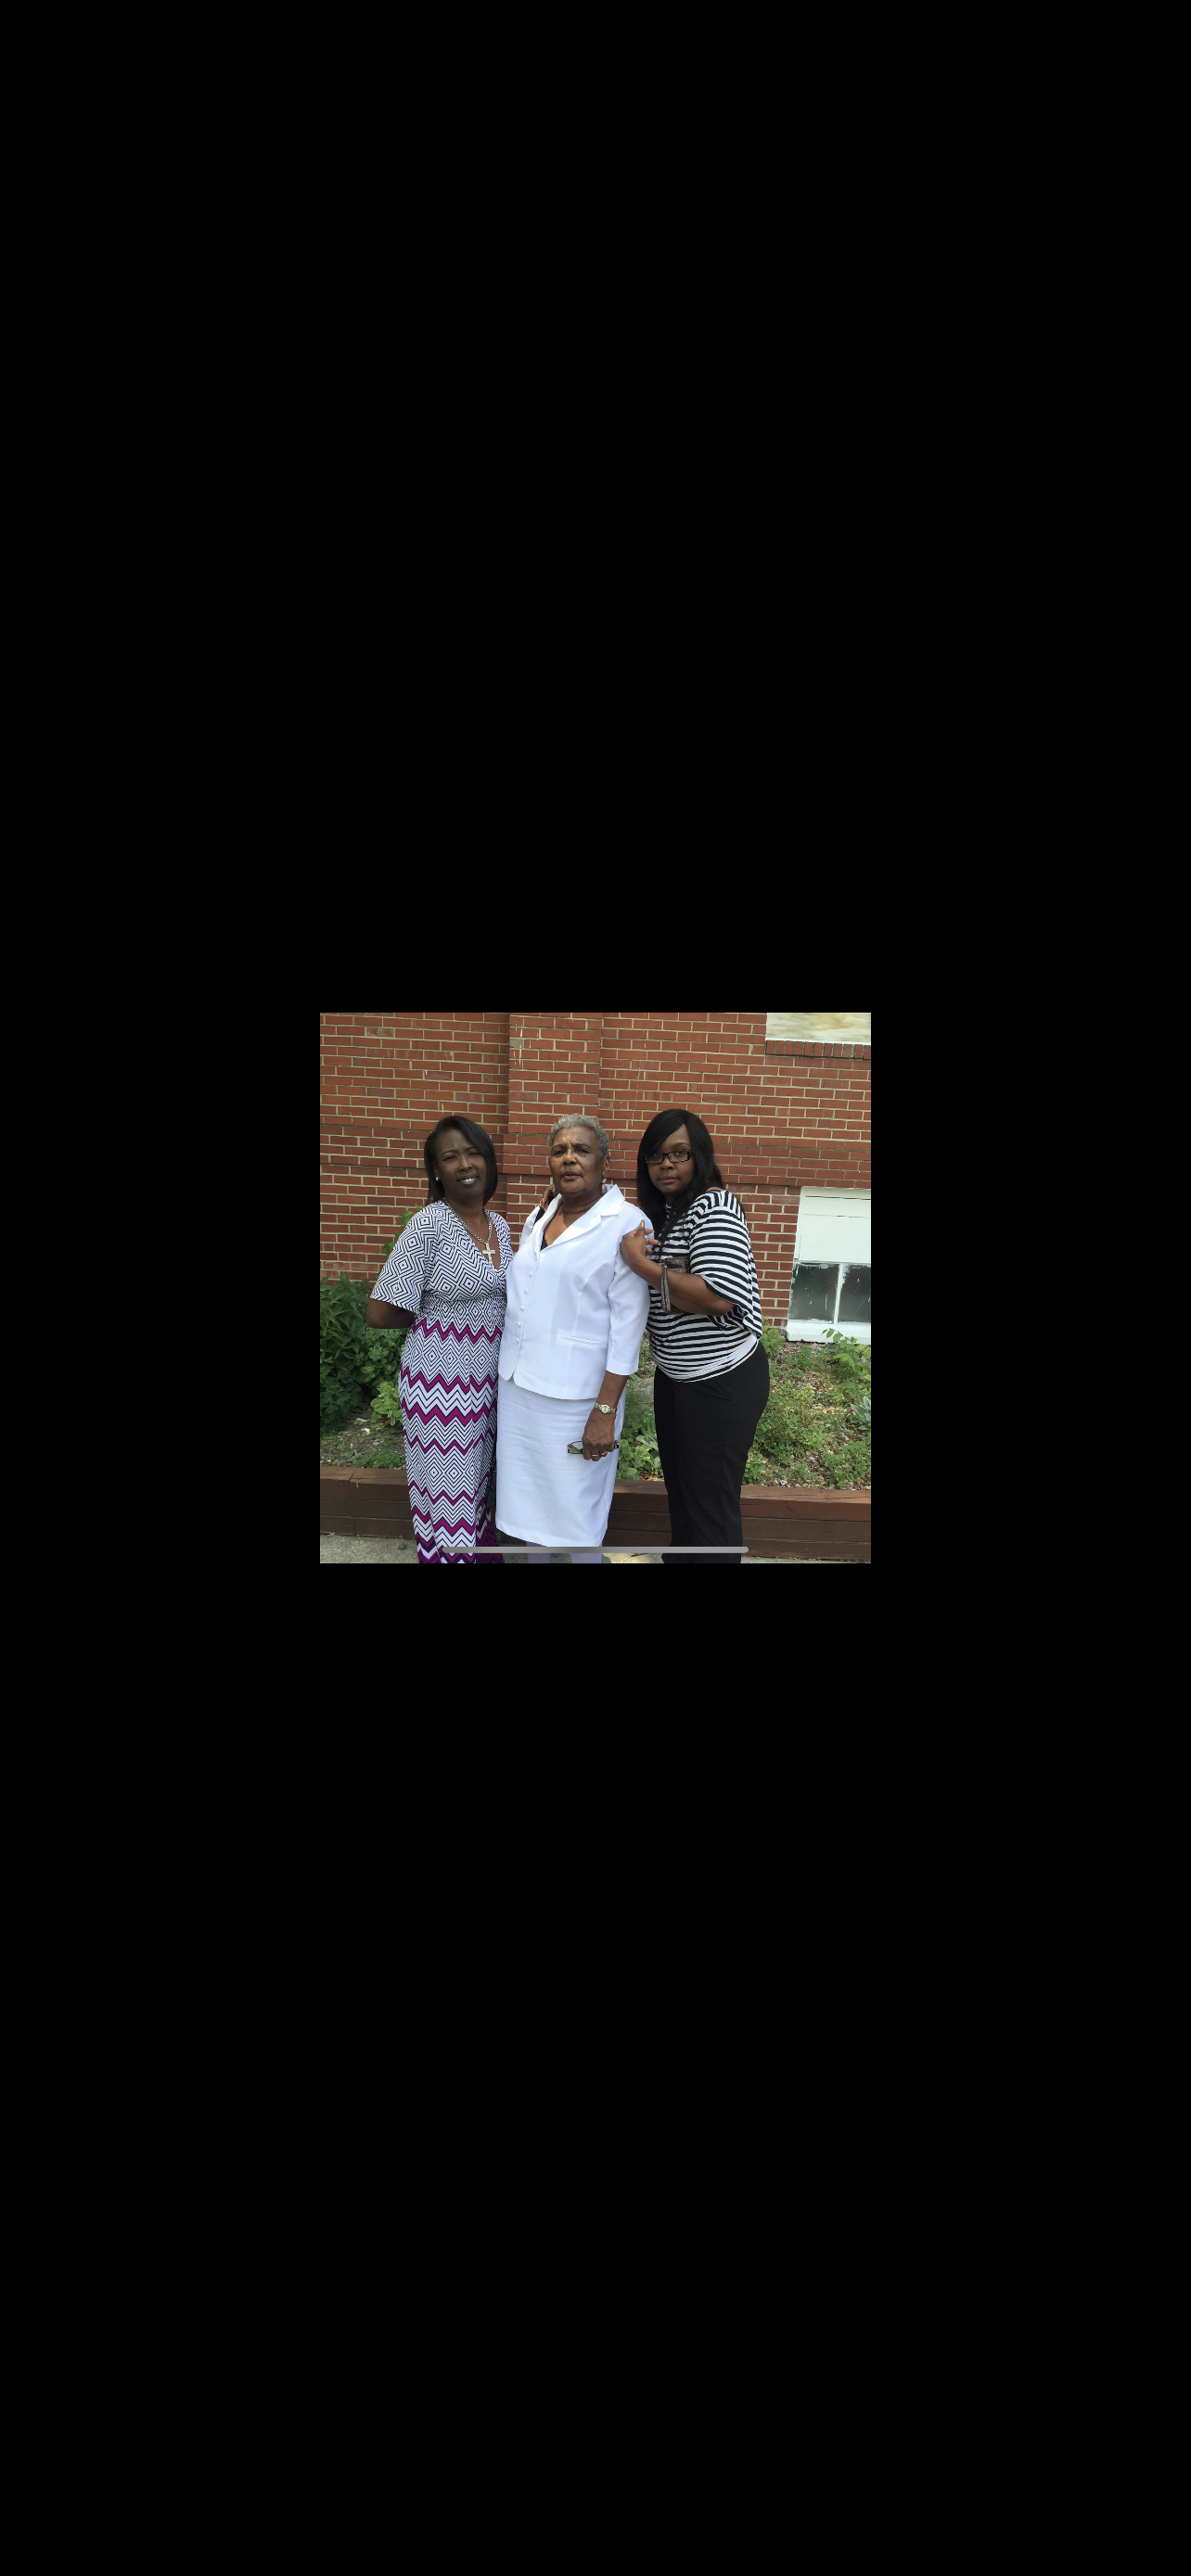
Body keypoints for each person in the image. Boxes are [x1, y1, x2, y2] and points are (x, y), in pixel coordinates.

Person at [495, 1114, 652, 1564]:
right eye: (559, 1150)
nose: (569, 1158)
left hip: (578, 1399)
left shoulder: (627, 1223)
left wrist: (604, 1411)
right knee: (530, 1508)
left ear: (604, 1161)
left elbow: (628, 1328)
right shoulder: (542, 1213)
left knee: (578, 1514)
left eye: (581, 1150)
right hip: (521, 1390)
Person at [618, 1109, 768, 1567]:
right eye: (656, 1156)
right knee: (683, 1496)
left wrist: (642, 1266)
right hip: (678, 1377)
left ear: (699, 1156)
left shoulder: (713, 1205)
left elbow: (718, 1295)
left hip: (720, 1380)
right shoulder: (667, 1214)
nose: (666, 1165)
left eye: (678, 1154)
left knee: (711, 1512)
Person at [366, 1116, 511, 1565]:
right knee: (448, 1497)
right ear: (436, 1171)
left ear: (488, 1160)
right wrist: (441, 1318)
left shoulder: (500, 1226)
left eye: (473, 1153)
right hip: (440, 1385)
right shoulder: (428, 1226)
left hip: (487, 1382)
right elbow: (379, 1311)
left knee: (477, 1485)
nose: (465, 1164)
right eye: (450, 1157)